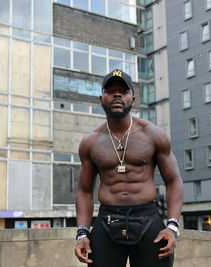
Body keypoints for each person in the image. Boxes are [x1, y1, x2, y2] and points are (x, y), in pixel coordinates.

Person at [74, 69, 183, 267]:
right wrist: (82, 232)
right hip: (107, 221)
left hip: (148, 219)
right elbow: (84, 190)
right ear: (101, 99)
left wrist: (172, 226)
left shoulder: (153, 135)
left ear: (132, 98)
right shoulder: (91, 142)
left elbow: (174, 181)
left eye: (123, 91)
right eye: (110, 91)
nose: (117, 95)